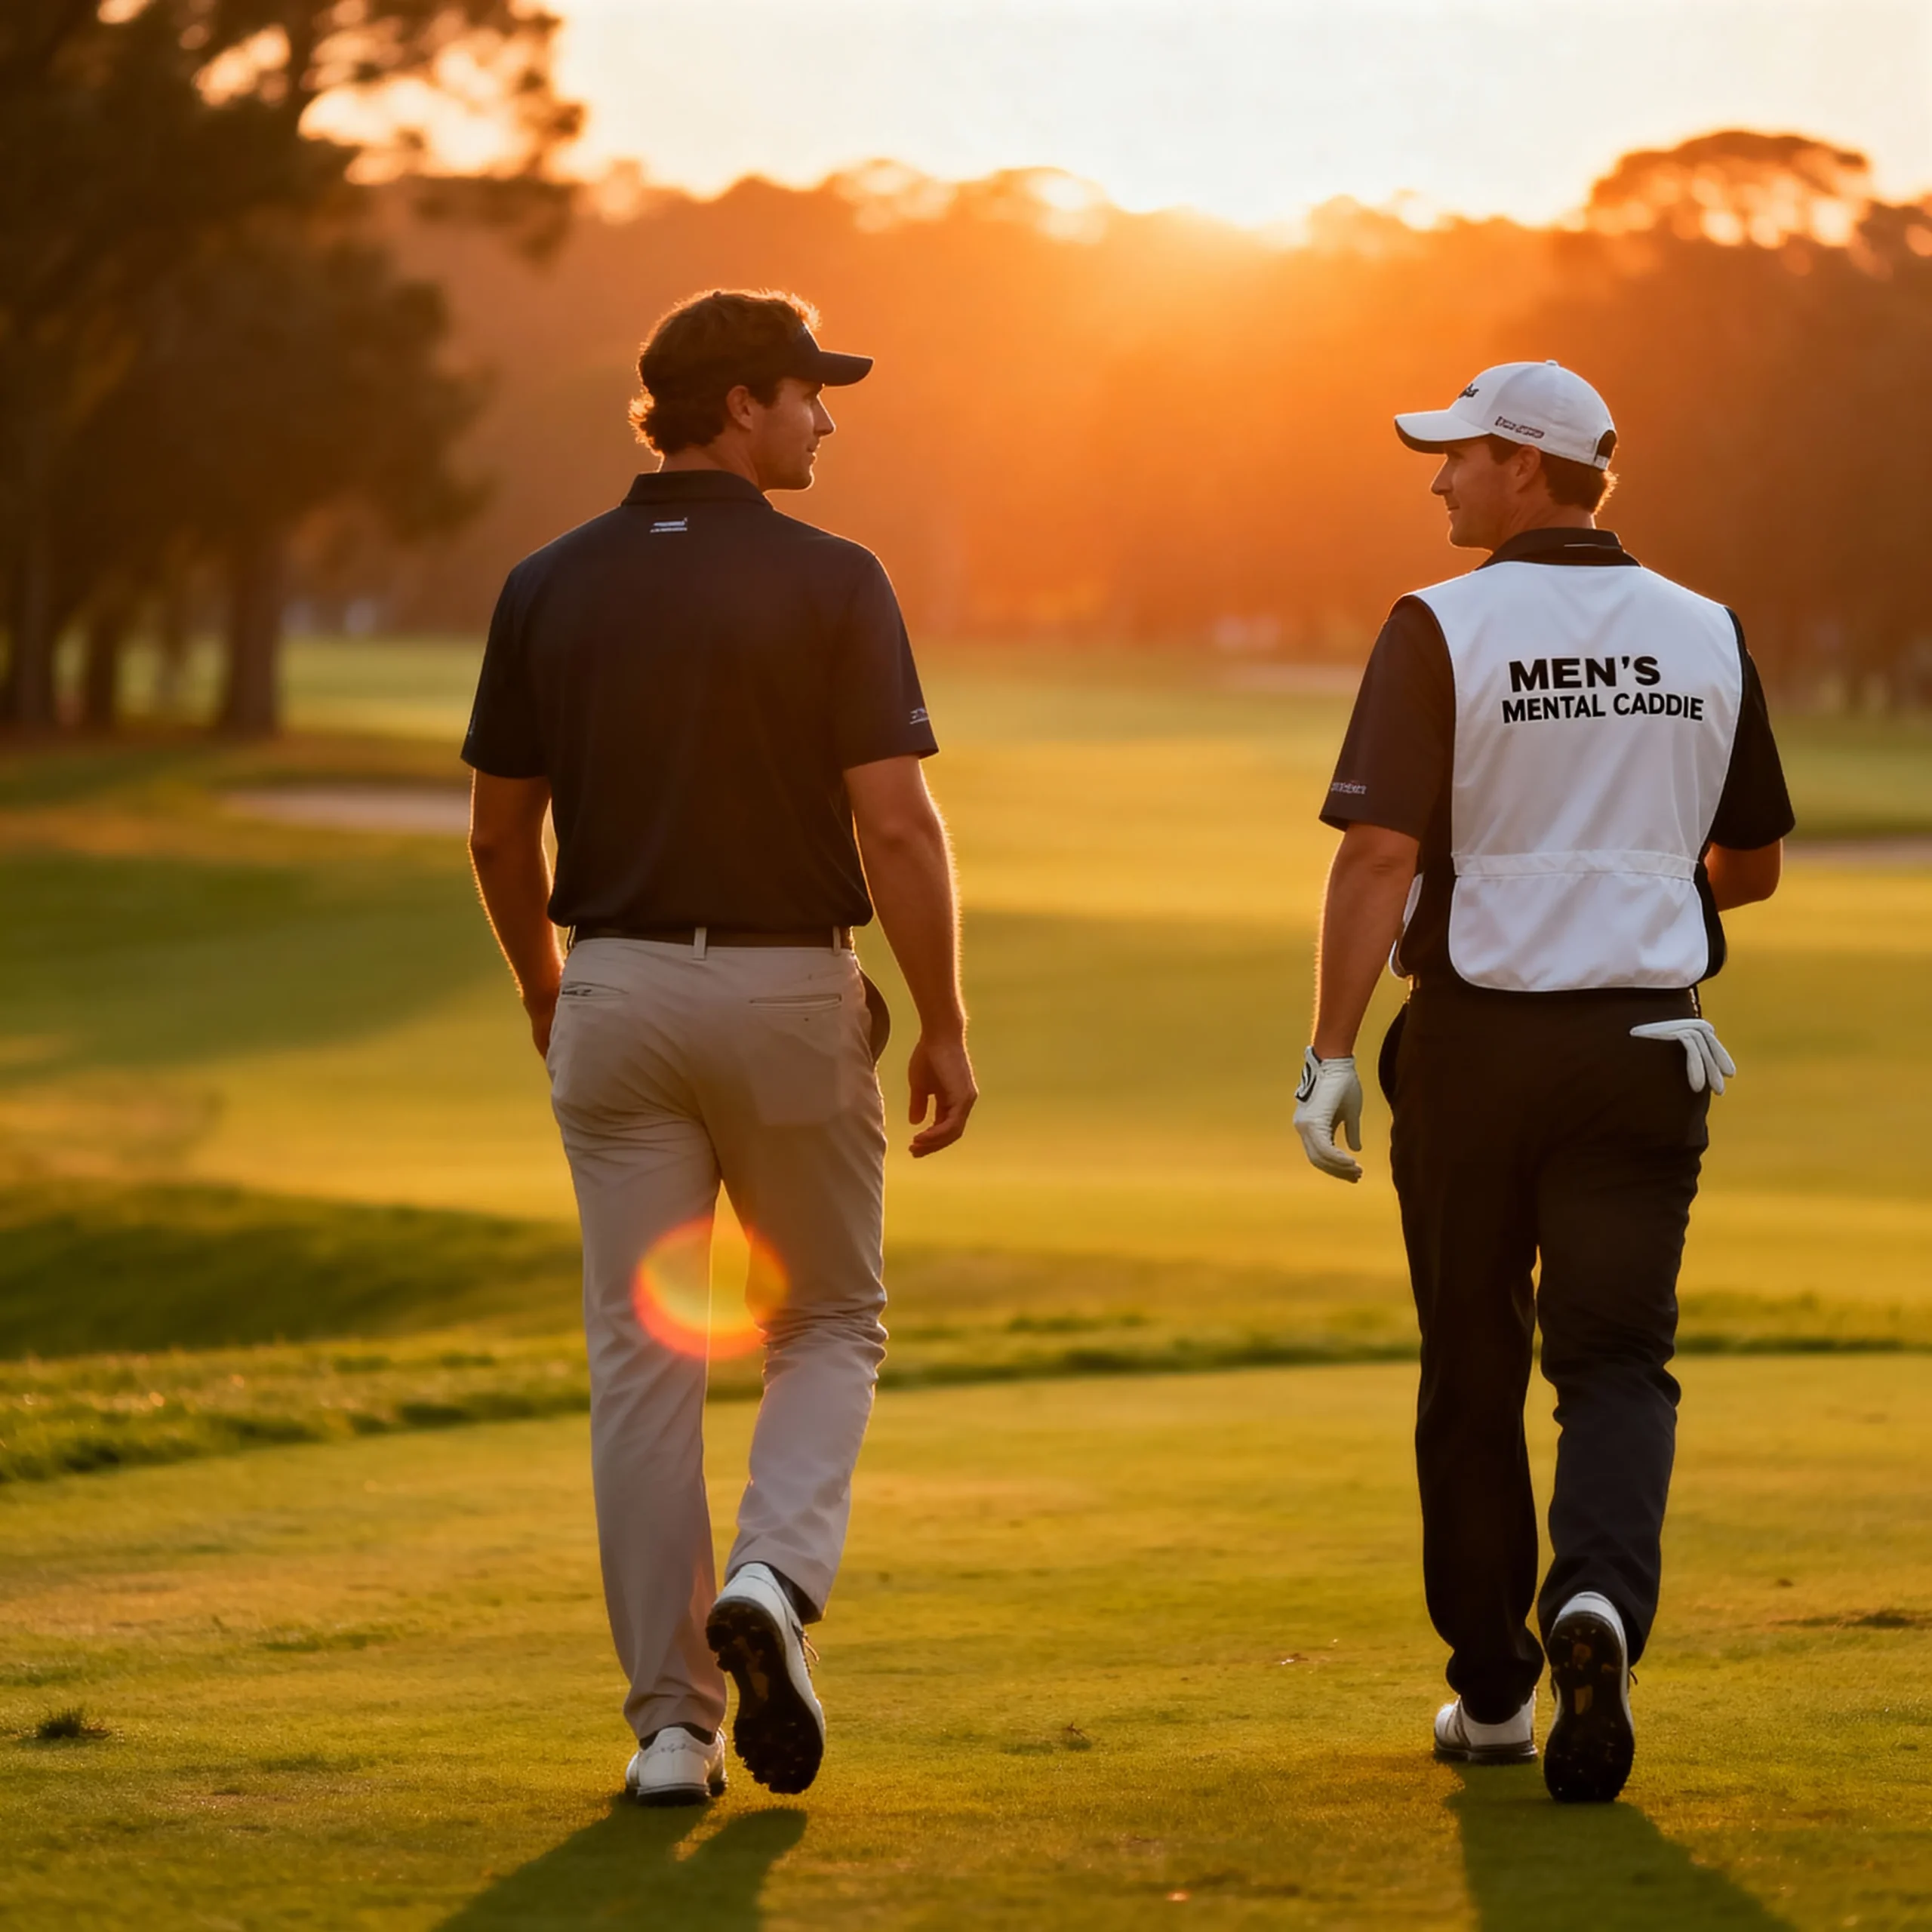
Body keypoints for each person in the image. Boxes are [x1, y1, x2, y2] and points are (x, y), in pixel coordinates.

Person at [463, 288, 977, 1806]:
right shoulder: (833, 577)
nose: (826, 417)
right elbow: (893, 818)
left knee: (643, 1363)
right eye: (811, 392)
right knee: (826, 1319)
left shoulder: (547, 581)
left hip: (611, 990)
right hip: (781, 992)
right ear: (742, 406)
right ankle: (769, 1574)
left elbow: (501, 831)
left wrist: (544, 982)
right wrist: (942, 1014)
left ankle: (672, 1731)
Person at [1292, 361, 1793, 1803]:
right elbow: (1747, 865)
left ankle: (1497, 1699)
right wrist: (1635, 881)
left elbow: (1378, 858)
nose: (1438, 479)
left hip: (1476, 1048)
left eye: (1459, 456)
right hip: (1644, 1048)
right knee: (1617, 1362)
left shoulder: (1438, 625)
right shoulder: (1707, 630)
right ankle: (1597, 1610)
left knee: (1473, 1366)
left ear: (1525, 465)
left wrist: (1330, 1053)